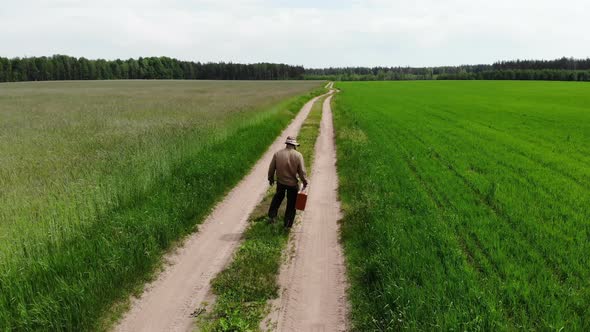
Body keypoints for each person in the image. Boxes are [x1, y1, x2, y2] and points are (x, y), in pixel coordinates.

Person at [267, 136, 308, 228]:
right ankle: (287, 224)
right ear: (294, 145)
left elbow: (271, 168)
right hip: (292, 184)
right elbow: (302, 172)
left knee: (277, 198)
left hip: (280, 182)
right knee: (291, 203)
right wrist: (305, 182)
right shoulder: (298, 155)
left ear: (287, 144)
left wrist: (271, 179)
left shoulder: (277, 154)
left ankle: (272, 217)